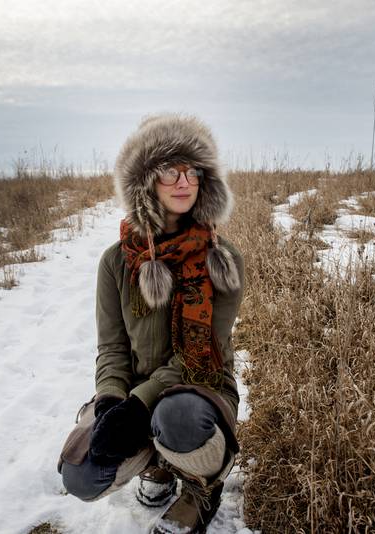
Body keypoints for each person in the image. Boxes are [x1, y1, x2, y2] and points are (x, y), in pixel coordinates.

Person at [58, 113, 244, 534]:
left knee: (177, 416)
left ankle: (201, 485)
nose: (184, 182)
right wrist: (109, 402)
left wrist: (140, 404)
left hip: (200, 389)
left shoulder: (223, 260)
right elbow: (112, 348)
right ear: (144, 182)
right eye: (168, 171)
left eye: (193, 171)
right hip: (132, 396)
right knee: (81, 472)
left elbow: (199, 358)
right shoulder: (115, 262)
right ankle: (157, 465)